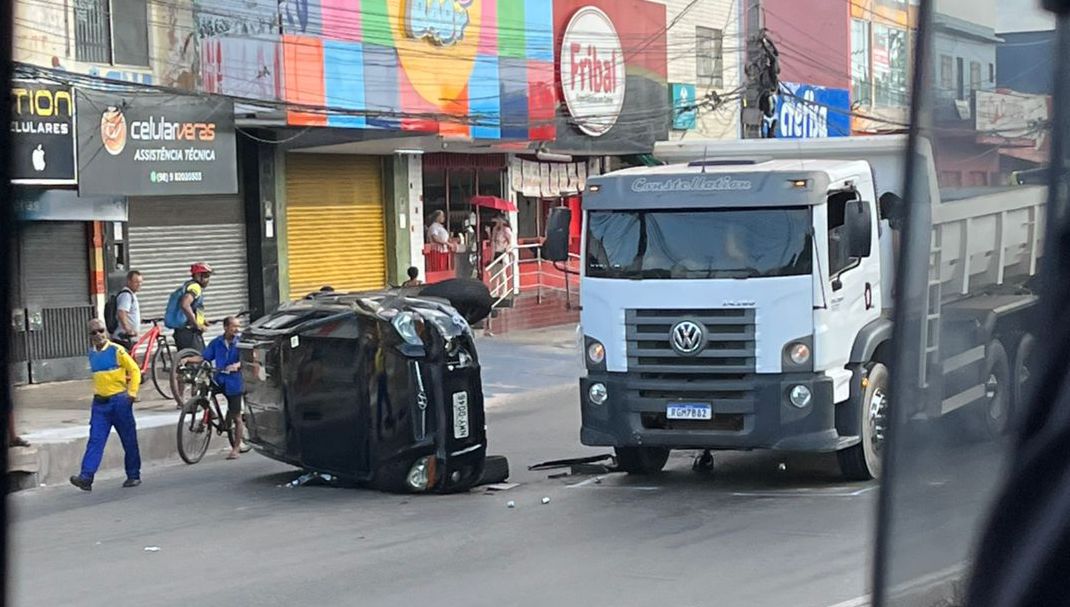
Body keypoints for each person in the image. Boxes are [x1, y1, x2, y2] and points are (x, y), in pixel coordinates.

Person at [69, 319, 142, 491]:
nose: (98, 335)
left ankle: (133, 475)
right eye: (94, 332)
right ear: (89, 336)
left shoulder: (117, 350)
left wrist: (132, 393)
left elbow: (135, 370)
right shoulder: (92, 353)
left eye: (101, 330)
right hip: (100, 404)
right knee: (95, 440)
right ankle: (86, 477)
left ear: (106, 331)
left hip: (119, 402)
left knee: (129, 440)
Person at [202, 316, 245, 460]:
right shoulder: (216, 342)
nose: (236, 329)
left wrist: (237, 366)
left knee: (237, 417)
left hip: (234, 382)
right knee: (203, 391)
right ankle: (212, 414)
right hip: (219, 379)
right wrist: (187, 359)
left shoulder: (240, 343)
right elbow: (205, 357)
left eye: (237, 326)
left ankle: (236, 448)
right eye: (233, 326)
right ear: (225, 327)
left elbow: (247, 359)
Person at [170, 262, 213, 352]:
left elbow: (194, 308)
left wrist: (202, 320)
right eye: (205, 276)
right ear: (197, 275)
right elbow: (185, 305)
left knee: (187, 361)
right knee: (199, 359)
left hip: (182, 332)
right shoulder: (195, 287)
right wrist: (196, 324)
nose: (208, 279)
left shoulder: (188, 285)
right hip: (189, 332)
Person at [112, 270, 143, 353]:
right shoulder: (126, 295)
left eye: (140, 282)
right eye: (136, 282)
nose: (139, 284)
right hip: (124, 338)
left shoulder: (131, 294)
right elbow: (121, 312)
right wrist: (128, 330)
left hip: (128, 339)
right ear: (129, 282)